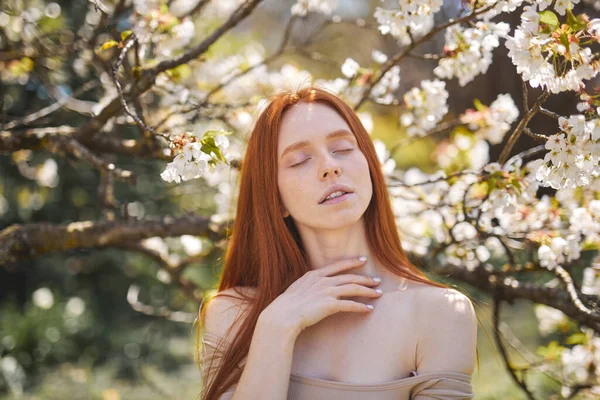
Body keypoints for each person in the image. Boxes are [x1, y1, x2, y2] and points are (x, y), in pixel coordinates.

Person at [196, 86, 479, 399]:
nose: (330, 166)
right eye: (300, 160)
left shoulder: (439, 314)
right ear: (275, 200)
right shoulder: (232, 316)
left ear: (370, 166)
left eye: (343, 148)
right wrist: (276, 327)